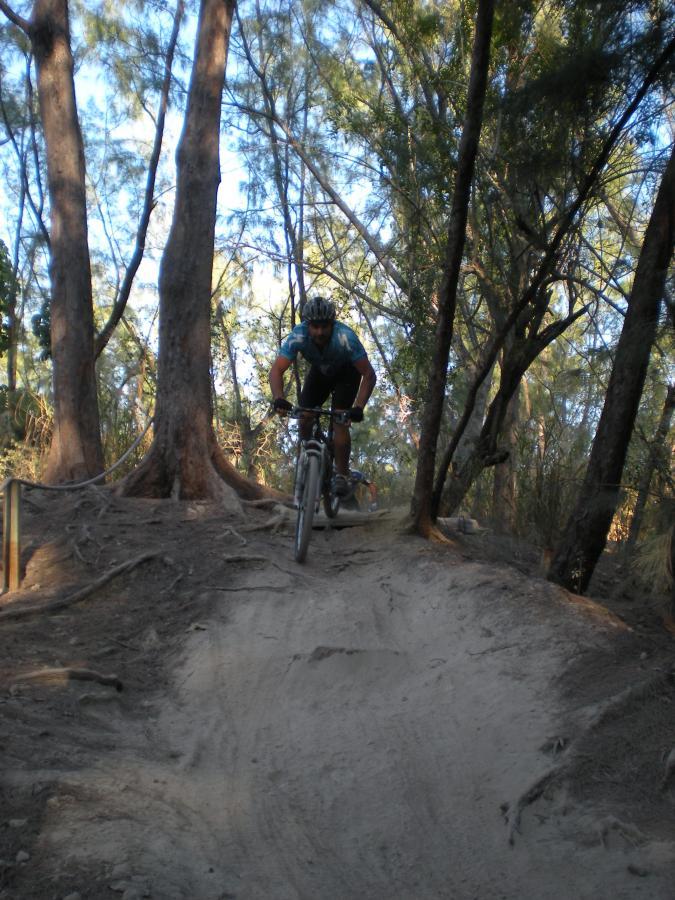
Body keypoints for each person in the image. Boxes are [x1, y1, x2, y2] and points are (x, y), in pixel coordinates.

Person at [269, 296, 376, 496]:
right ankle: (308, 462)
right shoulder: (299, 335)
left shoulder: (346, 338)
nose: (319, 332)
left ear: (332, 324)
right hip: (320, 373)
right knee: (304, 417)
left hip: (346, 375)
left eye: (324, 326)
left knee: (339, 422)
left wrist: (359, 407)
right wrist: (278, 398)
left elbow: (369, 375)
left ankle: (342, 476)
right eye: (315, 326)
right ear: (307, 325)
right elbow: (276, 370)